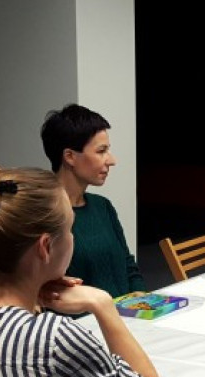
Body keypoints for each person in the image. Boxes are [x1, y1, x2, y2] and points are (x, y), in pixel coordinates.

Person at [0, 167, 164, 377]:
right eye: (69, 229)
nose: (72, 237)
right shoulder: (53, 340)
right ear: (45, 247)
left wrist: (32, 295)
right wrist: (102, 304)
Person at [41, 104, 146, 298]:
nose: (111, 160)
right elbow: (49, 292)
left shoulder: (102, 206)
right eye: (101, 151)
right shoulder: (43, 215)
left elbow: (128, 265)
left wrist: (143, 299)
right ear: (70, 157)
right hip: (85, 317)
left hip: (127, 313)